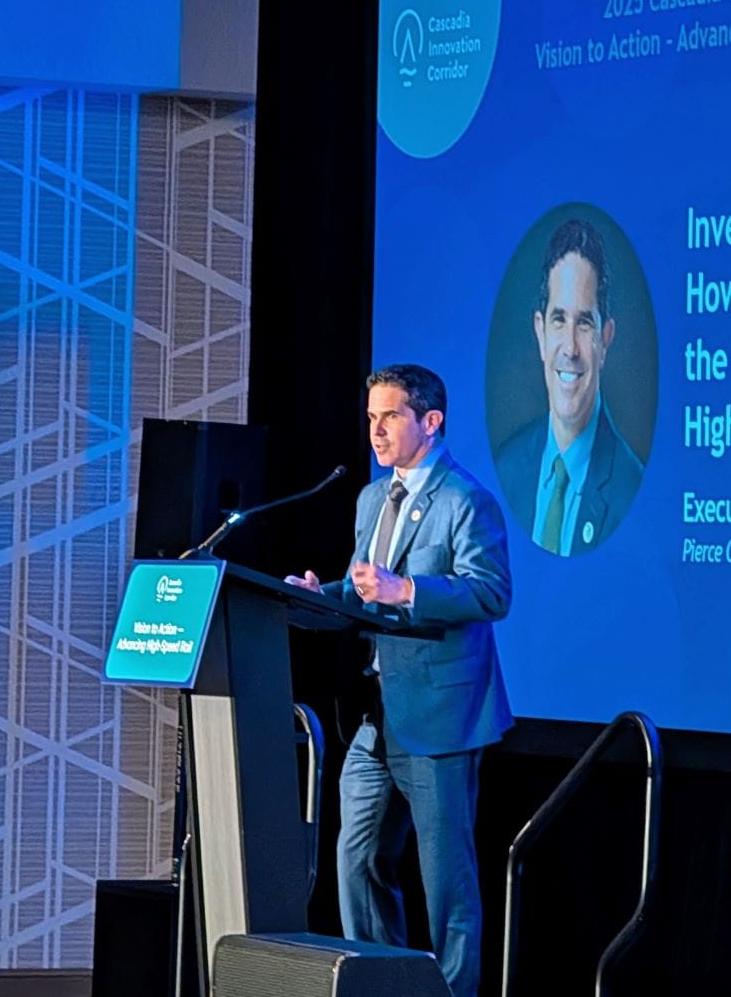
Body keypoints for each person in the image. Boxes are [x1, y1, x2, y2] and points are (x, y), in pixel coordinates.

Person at [288, 363, 512, 997]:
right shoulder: (370, 497)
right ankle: (388, 985)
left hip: (440, 715)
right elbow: (365, 591)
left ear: (430, 421)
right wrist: (317, 596)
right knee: (356, 859)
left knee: (447, 885)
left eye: (389, 417)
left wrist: (408, 589)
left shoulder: (467, 501)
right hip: (374, 713)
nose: (375, 431)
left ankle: (453, 992)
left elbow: (491, 593)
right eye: (370, 418)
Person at [496, 217, 644, 555]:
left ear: (605, 340)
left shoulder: (629, 488)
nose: (571, 348)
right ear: (540, 333)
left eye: (585, 323)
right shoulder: (508, 466)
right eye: (559, 320)